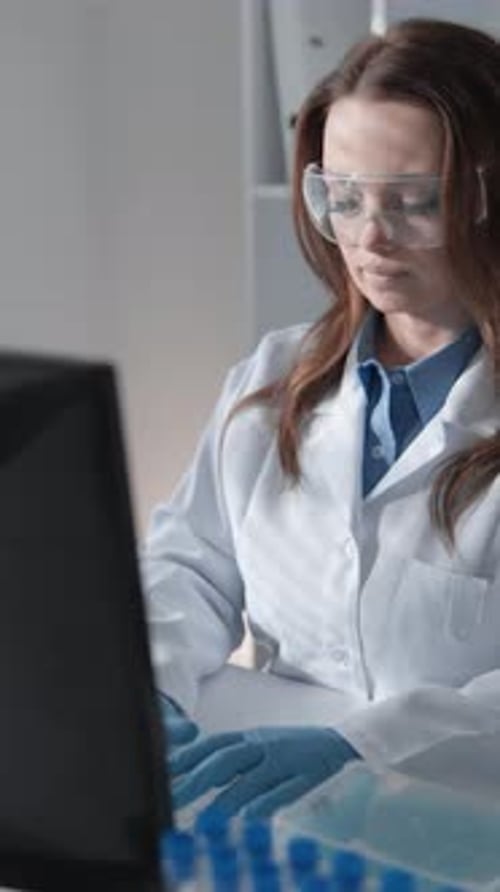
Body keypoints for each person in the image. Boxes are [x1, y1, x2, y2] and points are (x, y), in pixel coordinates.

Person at [143, 17, 500, 819]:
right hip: (288, 818)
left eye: (412, 201)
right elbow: (189, 565)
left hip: (472, 824)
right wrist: (149, 685)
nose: (368, 237)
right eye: (341, 197)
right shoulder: (276, 377)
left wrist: (363, 744)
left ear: (488, 195)